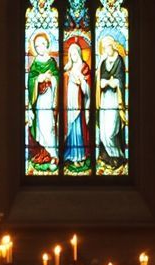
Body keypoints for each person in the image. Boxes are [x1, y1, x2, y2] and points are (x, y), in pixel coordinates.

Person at [26, 32, 60, 170]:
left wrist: (50, 78)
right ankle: (44, 154)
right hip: (39, 101)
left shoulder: (51, 62)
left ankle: (54, 155)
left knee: (49, 128)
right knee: (41, 127)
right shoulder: (34, 63)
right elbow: (31, 81)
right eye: (37, 45)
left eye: (42, 44)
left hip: (49, 99)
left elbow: (57, 78)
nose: (39, 47)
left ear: (47, 45)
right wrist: (39, 78)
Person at [96, 35, 127, 171]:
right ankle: (107, 157)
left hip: (115, 99)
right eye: (103, 47)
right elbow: (100, 82)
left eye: (107, 46)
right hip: (104, 99)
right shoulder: (103, 62)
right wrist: (104, 82)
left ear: (112, 46)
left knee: (110, 131)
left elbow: (120, 80)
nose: (105, 49)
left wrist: (114, 82)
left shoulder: (119, 60)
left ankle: (118, 156)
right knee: (103, 132)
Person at [62, 42, 92, 171]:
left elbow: (88, 91)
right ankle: (71, 156)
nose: (73, 56)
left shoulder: (84, 68)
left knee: (79, 131)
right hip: (69, 103)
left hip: (79, 104)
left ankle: (79, 156)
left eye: (75, 53)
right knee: (70, 130)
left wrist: (81, 81)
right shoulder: (67, 69)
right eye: (71, 54)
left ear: (79, 53)